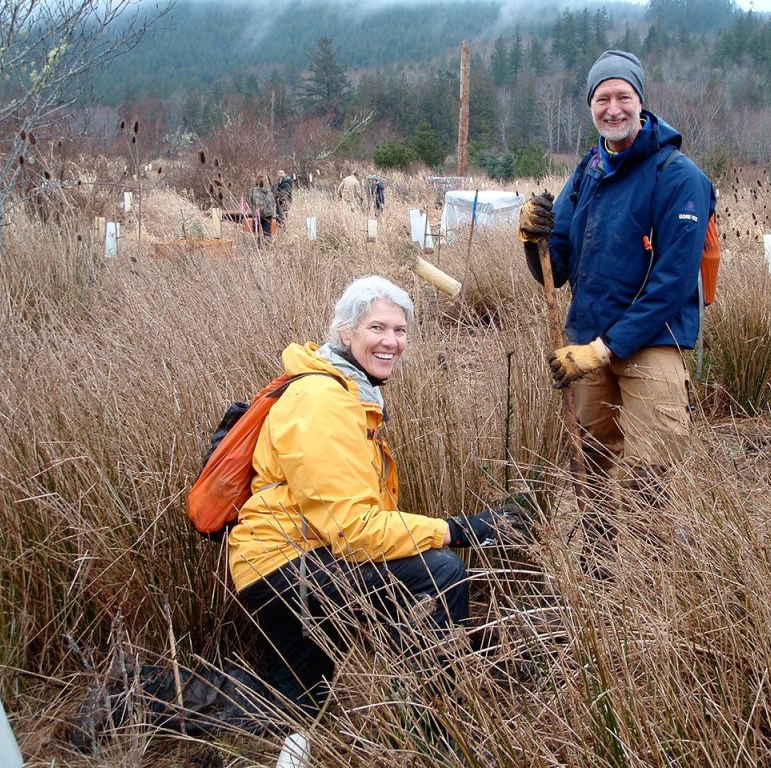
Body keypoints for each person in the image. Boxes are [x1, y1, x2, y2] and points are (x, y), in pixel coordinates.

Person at [228, 275, 529, 716]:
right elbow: (355, 530)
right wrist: (460, 530)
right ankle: (439, 723)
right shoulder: (322, 401)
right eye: (377, 328)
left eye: (400, 330)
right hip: (287, 568)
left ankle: (140, 694)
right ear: (344, 332)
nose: (391, 341)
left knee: (290, 707)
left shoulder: (348, 392)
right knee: (439, 573)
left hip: (290, 561)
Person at [518, 50, 715, 483]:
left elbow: (675, 283)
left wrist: (603, 349)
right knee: (592, 465)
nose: (613, 109)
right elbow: (560, 267)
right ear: (590, 106)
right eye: (602, 98)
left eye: (623, 96)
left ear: (640, 100)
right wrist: (534, 242)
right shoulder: (588, 171)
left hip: (653, 341)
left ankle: (647, 554)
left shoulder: (680, 177)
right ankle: (597, 551)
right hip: (586, 341)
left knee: (649, 473)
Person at [249, 174, 276, 240]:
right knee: (267, 231)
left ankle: (257, 245)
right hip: (268, 214)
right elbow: (273, 202)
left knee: (256, 230)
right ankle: (268, 246)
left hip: (257, 213)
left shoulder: (254, 191)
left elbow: (251, 201)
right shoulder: (269, 191)